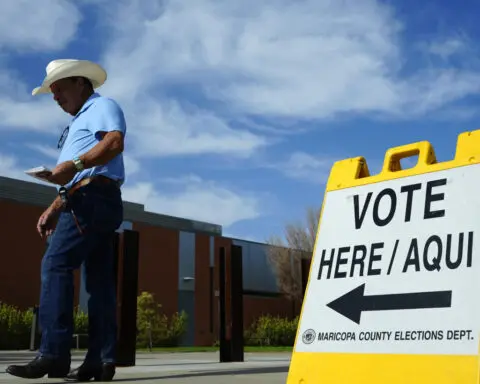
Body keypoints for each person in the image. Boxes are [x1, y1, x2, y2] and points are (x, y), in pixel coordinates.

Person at [6, 59, 127, 382]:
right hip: (92, 198)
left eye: (59, 89)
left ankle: (53, 354)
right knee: (99, 284)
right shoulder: (79, 123)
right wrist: (55, 206)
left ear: (81, 84)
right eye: (52, 92)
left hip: (92, 200)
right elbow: (81, 175)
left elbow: (114, 143)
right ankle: (100, 361)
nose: (55, 97)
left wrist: (72, 164)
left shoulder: (101, 106)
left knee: (55, 265)